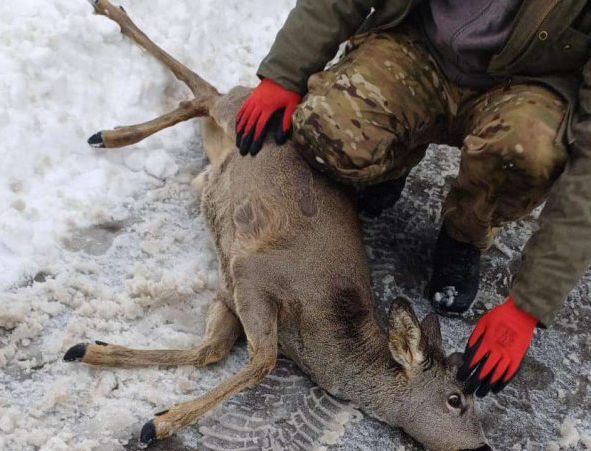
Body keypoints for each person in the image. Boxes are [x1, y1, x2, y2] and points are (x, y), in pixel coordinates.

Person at [235, 0, 591, 397]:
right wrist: (285, 75)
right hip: (419, 44)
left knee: (525, 153)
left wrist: (528, 306)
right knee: (327, 127)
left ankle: (465, 233)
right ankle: (391, 161)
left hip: (528, 87)